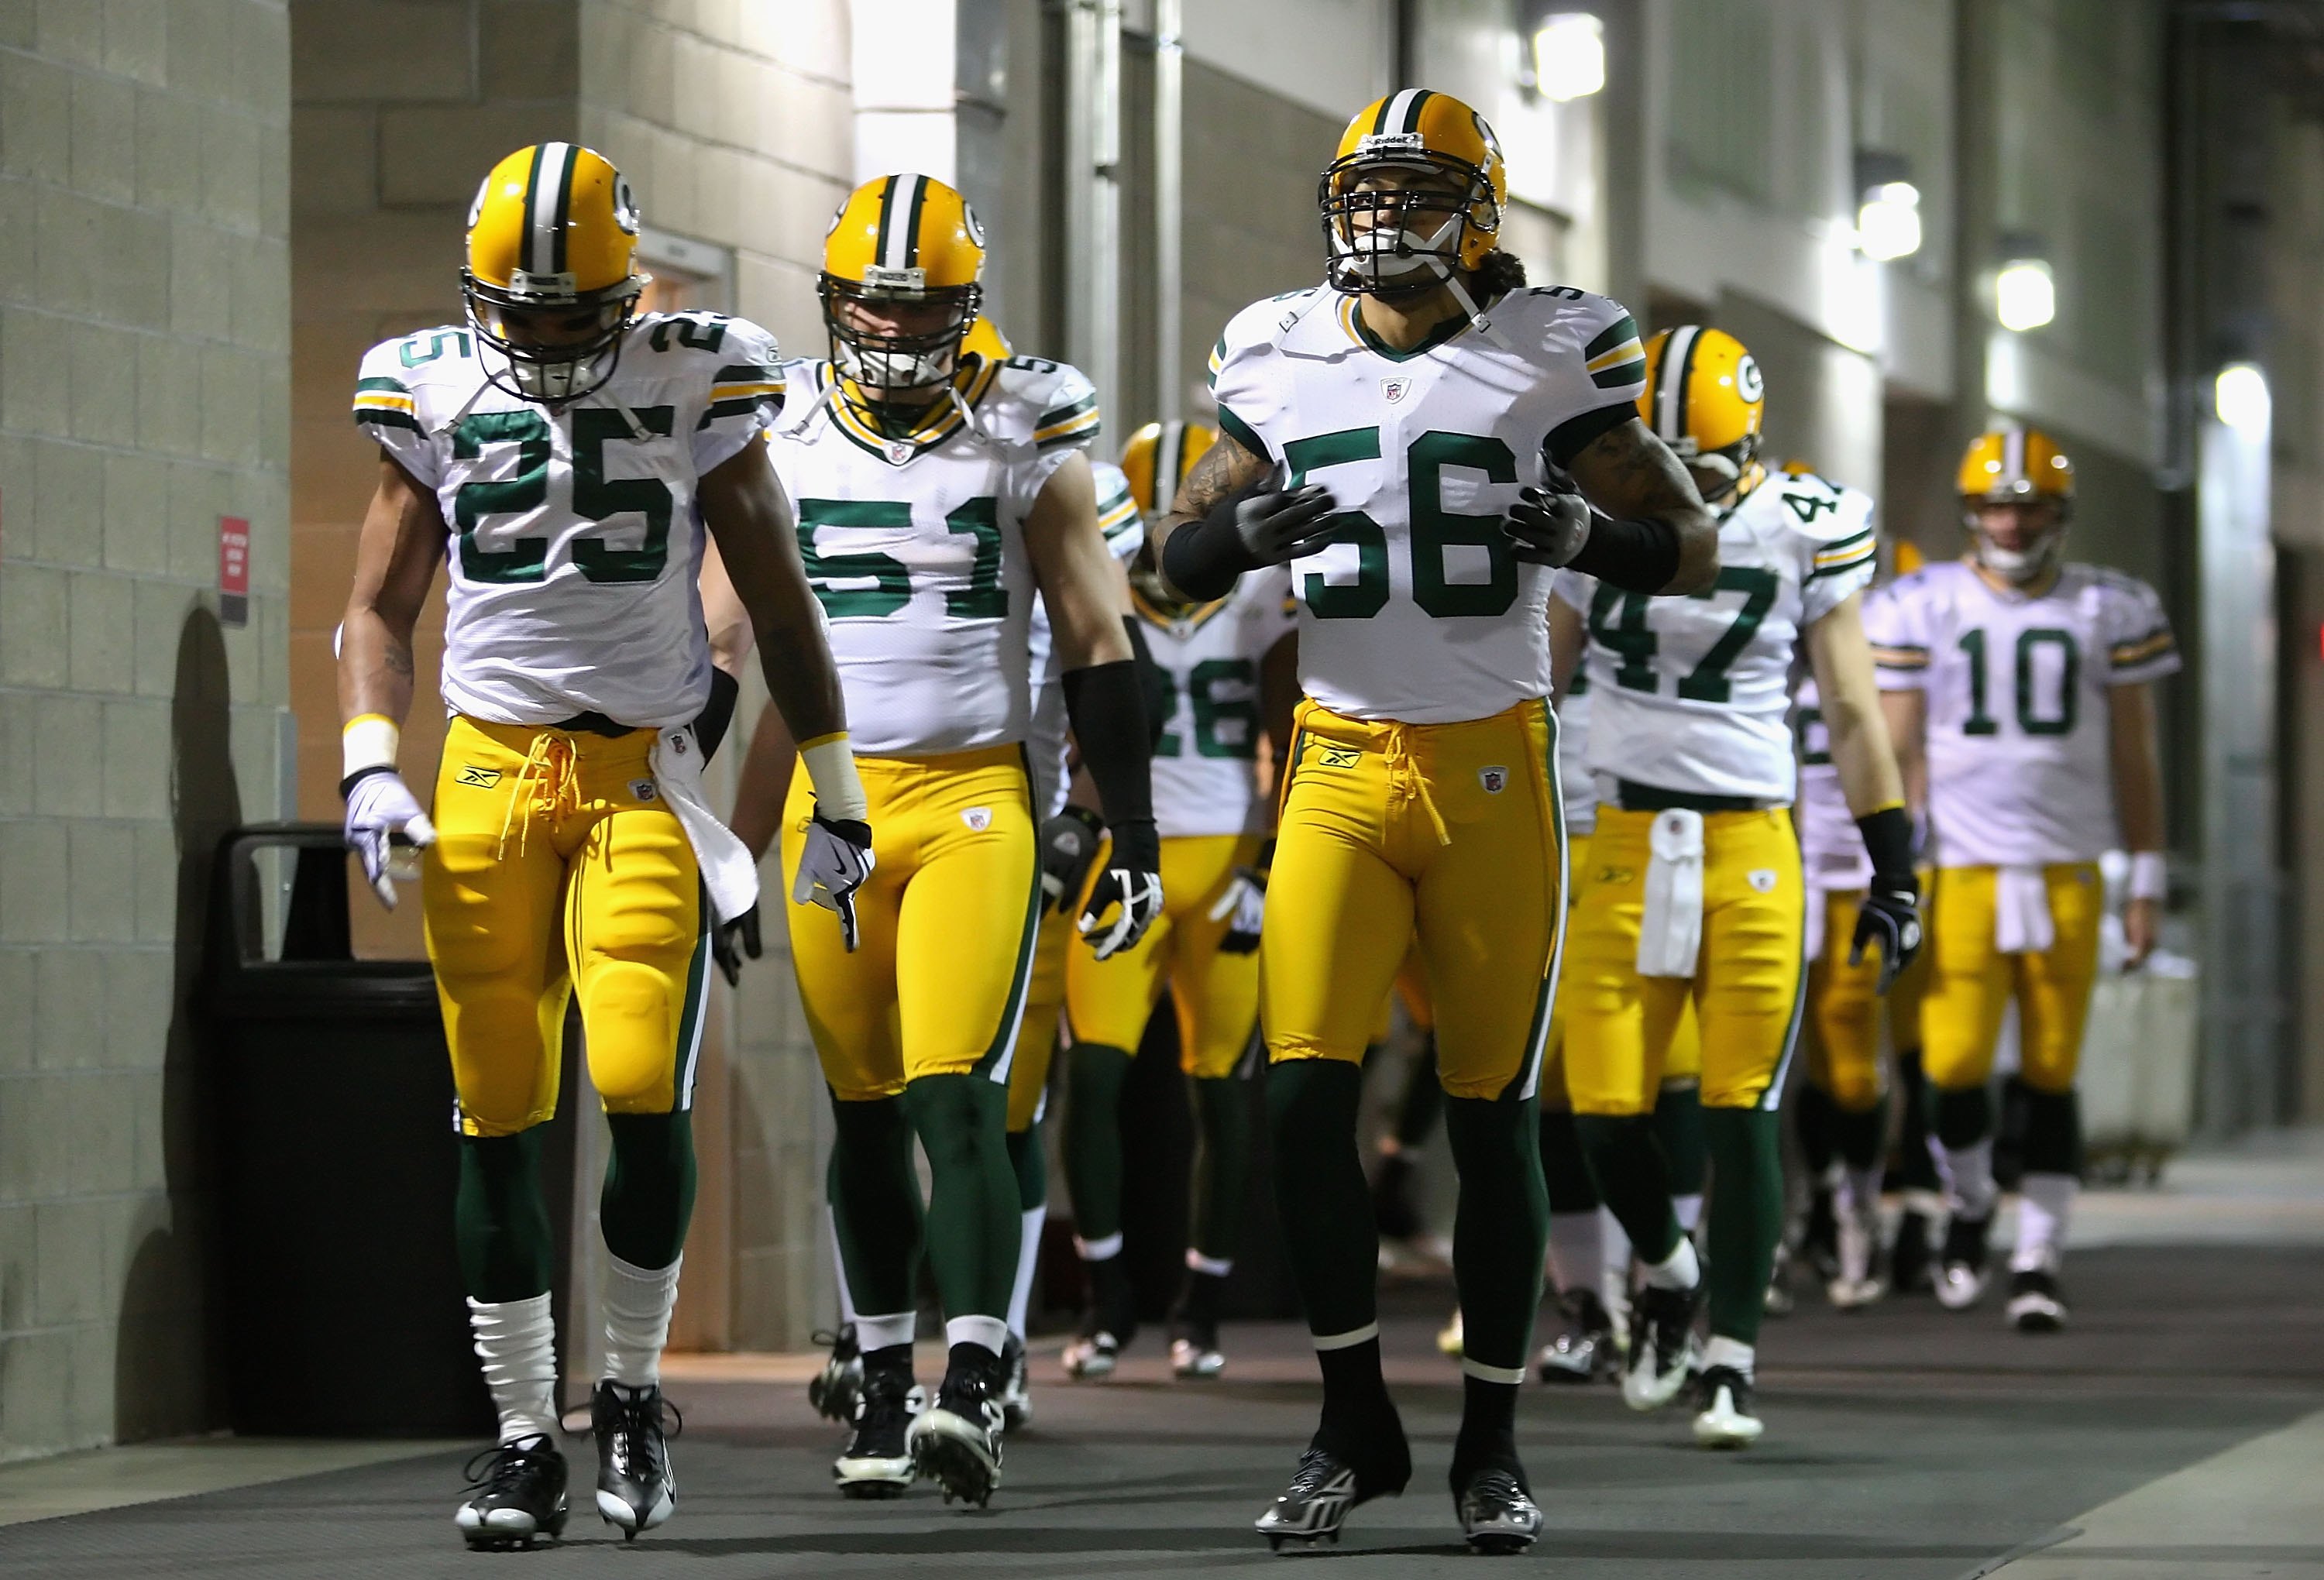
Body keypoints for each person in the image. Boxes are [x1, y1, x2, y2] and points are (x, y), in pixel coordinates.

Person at [1156, 89, 1717, 1552]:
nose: (1377, 219)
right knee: (1295, 1102)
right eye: (1362, 191)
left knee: (1491, 1114)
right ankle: (1352, 1421)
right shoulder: (1273, 350)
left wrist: (1596, 538)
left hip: (1491, 763)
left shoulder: (1556, 347)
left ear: (1480, 210)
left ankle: (1490, 1442)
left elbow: (1693, 542)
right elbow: (1168, 571)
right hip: (1336, 761)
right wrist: (1230, 537)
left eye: (1413, 193)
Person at [336, 143, 871, 1549]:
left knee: (639, 1078)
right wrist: (369, 764)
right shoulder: (433, 381)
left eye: (583, 316)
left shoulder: (697, 370)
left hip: (642, 774)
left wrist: (835, 774)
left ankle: (630, 1392)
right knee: (496, 1102)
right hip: (490, 775)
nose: (555, 341)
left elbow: (777, 587)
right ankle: (522, 1435)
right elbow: (377, 610)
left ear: (628, 293)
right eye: (531, 314)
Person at [760, 173, 1160, 1506]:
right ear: (832, 302)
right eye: (871, 303)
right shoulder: (776, 425)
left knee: (953, 1092)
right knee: (863, 1109)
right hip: (835, 800)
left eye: (919, 306)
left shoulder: (1026, 420)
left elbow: (1102, 640)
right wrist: (715, 832)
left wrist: (1134, 830)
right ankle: (880, 1381)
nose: (889, 328)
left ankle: (977, 1375)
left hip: (976, 795)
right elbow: (744, 645)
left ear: (965, 311)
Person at [1551, 326, 1920, 1449]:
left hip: (1752, 840)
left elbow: (1853, 707)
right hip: (1613, 831)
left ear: (1748, 440)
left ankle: (1733, 1360)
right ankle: (1666, 1269)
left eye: (1696, 466)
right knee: (1603, 1109)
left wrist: (1892, 860)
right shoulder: (1584, 503)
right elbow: (1541, 671)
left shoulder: (1807, 523)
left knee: (1742, 1109)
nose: (1673, 490)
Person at [1866, 428, 2174, 1331]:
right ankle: (1969, 1205)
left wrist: (2147, 877)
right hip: (1961, 864)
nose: (2011, 520)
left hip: (2069, 867)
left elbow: (2134, 751)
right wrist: (1898, 862)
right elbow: (1899, 745)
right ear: (1971, 512)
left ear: (2059, 513)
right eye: (1997, 504)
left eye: (2029, 503)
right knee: (1956, 1065)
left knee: (2051, 1070)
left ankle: (2040, 1257)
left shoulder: (2106, 607)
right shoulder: (1922, 603)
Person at [1062, 419, 1299, 1384]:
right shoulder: (1098, 590)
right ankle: (1108, 1296)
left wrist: (1269, 862)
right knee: (1095, 1084)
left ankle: (1202, 1303)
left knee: (1223, 1091)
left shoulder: (1265, 598)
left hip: (1226, 858)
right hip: (1127, 855)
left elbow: (1296, 734)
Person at [1791, 537, 1938, 1308]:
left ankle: (1860, 1214)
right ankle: (1813, 1207)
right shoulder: (1751, 619)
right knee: (1791, 1062)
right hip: (1779, 867)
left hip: (1857, 869)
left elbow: (1909, 753)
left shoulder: (1894, 633)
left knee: (1856, 1060)